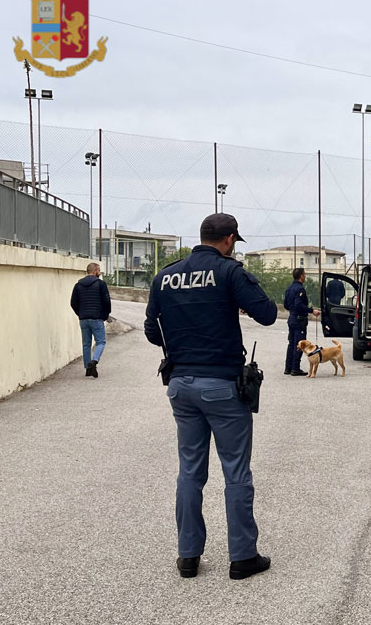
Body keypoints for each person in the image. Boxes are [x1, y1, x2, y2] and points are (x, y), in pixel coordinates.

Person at [143, 213, 277, 581]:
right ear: (230, 239)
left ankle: (188, 556)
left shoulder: (165, 276)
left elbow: (151, 330)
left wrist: (182, 341)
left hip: (181, 386)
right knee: (235, 471)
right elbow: (267, 315)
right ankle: (242, 558)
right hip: (222, 386)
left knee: (189, 471)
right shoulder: (229, 272)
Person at [70, 261, 111, 378]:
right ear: (95, 271)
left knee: (86, 343)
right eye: (99, 270)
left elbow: (73, 302)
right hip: (97, 318)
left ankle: (88, 368)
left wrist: (81, 314)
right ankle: (94, 361)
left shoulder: (78, 285)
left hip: (83, 319)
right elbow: (106, 301)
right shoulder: (101, 284)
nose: (100, 272)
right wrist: (105, 315)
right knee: (101, 342)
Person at [284, 268, 320, 376]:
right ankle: (295, 368)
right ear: (301, 276)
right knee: (300, 344)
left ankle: (288, 367)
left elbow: (286, 305)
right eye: (304, 274)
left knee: (291, 343)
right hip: (299, 320)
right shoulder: (300, 289)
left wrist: (292, 310)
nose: (305, 276)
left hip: (292, 318)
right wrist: (311, 310)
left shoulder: (289, 289)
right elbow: (299, 304)